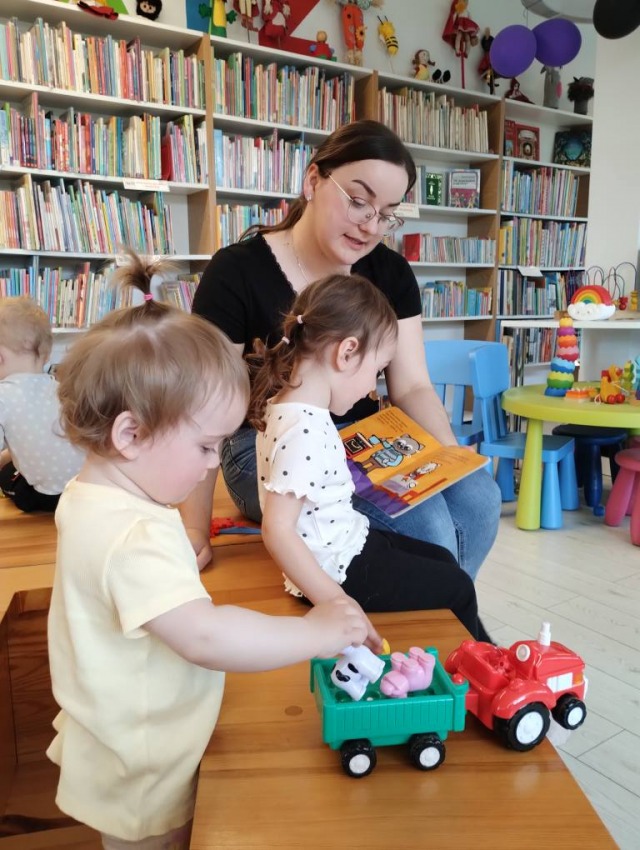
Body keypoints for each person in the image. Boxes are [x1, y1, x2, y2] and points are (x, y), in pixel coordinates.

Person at [47, 253, 370, 850]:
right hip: (146, 764)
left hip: (124, 739)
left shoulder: (88, 496)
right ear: (131, 433)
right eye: (204, 447)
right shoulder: (134, 534)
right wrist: (314, 633)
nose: (210, 468)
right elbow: (204, 635)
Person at [186, 119, 501, 579]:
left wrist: (448, 460)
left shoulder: (390, 272)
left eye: (387, 213)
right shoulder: (236, 271)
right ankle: (424, 611)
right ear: (313, 180)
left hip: (365, 436)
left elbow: (412, 386)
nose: (371, 226)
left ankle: (447, 608)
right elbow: (203, 403)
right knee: (425, 524)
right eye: (358, 201)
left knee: (479, 497)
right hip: (272, 441)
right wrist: (194, 529)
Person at [246, 273, 491, 643]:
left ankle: (484, 655)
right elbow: (277, 530)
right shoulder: (303, 429)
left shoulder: (289, 406)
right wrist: (337, 603)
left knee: (443, 562)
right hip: (337, 571)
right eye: (376, 372)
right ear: (346, 353)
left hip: (348, 541)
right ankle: (480, 663)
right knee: (457, 587)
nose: (372, 388)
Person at [0, 296, 84, 512]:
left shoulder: (3, 395)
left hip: (45, 497)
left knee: (6, 475)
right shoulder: (60, 388)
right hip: (81, 489)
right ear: (46, 356)